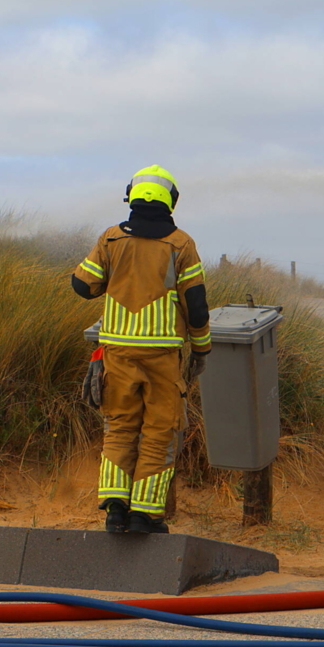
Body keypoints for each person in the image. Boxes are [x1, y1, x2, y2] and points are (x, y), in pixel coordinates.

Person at [72, 165, 211, 534]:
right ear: (171, 201)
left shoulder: (110, 239)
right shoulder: (181, 244)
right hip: (163, 358)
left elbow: (84, 286)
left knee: (119, 427)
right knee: (160, 432)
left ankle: (115, 509)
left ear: (131, 196)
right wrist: (202, 349)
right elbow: (196, 306)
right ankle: (144, 515)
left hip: (116, 354)